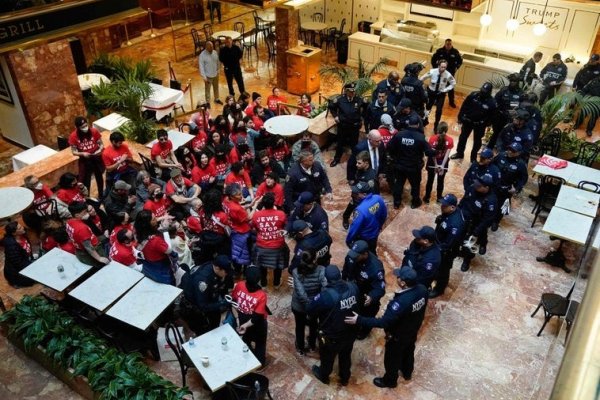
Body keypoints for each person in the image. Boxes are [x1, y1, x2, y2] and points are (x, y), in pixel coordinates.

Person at [344, 266, 428, 388]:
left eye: (399, 277)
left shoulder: (400, 303)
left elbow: (384, 322)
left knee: (392, 359)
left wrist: (359, 319)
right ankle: (407, 372)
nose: (397, 278)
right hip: (412, 328)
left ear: (403, 283)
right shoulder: (423, 289)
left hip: (398, 335)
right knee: (409, 350)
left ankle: (390, 381)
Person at [307, 265, 360, 386]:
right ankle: (345, 377)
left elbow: (310, 309)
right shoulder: (353, 286)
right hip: (351, 331)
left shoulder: (325, 296)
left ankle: (324, 375)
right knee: (346, 355)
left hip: (333, 336)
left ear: (327, 279)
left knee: (327, 358)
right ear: (340, 275)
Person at [387, 114, 435, 209]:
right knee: (415, 185)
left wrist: (395, 156)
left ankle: (396, 203)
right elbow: (429, 153)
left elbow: (389, 147)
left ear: (408, 123)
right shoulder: (420, 137)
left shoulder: (399, 134)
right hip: (414, 167)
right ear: (417, 125)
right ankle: (415, 202)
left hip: (400, 165)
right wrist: (437, 151)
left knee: (399, 184)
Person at [341, 240, 385, 340]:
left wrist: (372, 297)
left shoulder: (375, 268)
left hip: (366, 296)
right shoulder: (351, 256)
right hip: (353, 290)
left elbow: (380, 288)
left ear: (365, 254)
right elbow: (345, 271)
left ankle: (364, 331)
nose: (353, 257)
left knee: (368, 314)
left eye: (357, 256)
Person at [180, 255, 232, 334]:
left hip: (208, 297)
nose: (227, 274)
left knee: (216, 319)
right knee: (203, 331)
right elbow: (203, 306)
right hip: (196, 306)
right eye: (226, 272)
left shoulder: (215, 266)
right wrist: (222, 303)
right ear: (218, 268)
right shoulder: (203, 280)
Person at [458, 175, 498, 271]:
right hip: (466, 218)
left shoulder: (491, 201)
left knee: (472, 241)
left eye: (479, 186)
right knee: (462, 237)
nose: (476, 186)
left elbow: (488, 219)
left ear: (486, 188)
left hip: (478, 223)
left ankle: (467, 260)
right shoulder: (473, 188)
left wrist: (476, 232)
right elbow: (464, 200)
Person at [291, 249, 327, 355]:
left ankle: (300, 347)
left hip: (299, 306)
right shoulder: (321, 269)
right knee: (313, 325)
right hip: (315, 305)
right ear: (314, 260)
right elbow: (325, 288)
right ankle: (312, 345)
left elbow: (301, 294)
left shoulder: (296, 271)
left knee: (299, 326)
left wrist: (307, 307)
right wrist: (312, 307)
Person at [451, 82, 496, 162]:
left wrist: (485, 124)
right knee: (463, 138)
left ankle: (473, 158)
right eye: (482, 90)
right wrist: (460, 117)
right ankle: (459, 153)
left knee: (477, 142)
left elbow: (492, 117)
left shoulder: (492, 102)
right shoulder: (473, 95)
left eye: (485, 92)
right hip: (468, 121)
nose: (482, 92)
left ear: (489, 92)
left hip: (479, 125)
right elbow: (464, 105)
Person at [233, 266, 269, 366]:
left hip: (242, 319)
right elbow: (256, 318)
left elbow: (233, 303)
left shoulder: (239, 285)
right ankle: (260, 364)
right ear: (258, 280)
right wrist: (246, 325)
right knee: (260, 344)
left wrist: (239, 321)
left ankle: (247, 360)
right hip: (258, 325)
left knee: (246, 340)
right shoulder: (261, 295)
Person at [431, 194, 465, 298]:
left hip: (447, 252)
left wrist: (437, 250)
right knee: (438, 267)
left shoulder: (456, 224)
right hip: (440, 242)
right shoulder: (449, 213)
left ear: (452, 207)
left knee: (443, 270)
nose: (442, 207)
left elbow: (449, 244)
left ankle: (439, 289)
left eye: (444, 206)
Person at [252, 193, 288, 287]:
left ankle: (263, 283)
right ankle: (276, 283)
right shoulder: (281, 214)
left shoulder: (256, 215)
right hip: (278, 246)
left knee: (262, 266)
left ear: (263, 203)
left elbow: (255, 228)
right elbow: (284, 226)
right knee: (278, 265)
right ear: (274, 203)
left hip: (262, 246)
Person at [491, 142, 528, 231]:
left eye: (513, 151)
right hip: (494, 185)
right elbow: (492, 164)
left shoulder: (521, 164)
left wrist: (516, 188)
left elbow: (523, 179)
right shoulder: (501, 156)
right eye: (509, 149)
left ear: (518, 153)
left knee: (502, 206)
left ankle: (496, 221)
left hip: (506, 189)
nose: (510, 152)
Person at [328, 83, 365, 167]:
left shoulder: (359, 99)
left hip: (354, 127)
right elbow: (331, 106)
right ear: (346, 91)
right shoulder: (340, 99)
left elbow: (367, 107)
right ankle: (337, 159)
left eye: (354, 91)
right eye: (351, 91)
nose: (353, 93)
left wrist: (362, 117)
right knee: (340, 143)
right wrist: (335, 116)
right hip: (343, 126)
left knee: (354, 145)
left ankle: (356, 160)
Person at [134, 209, 175, 284]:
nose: (156, 219)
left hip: (149, 268)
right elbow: (169, 250)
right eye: (153, 219)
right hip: (162, 270)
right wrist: (165, 230)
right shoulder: (155, 240)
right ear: (147, 224)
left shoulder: (137, 234)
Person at [346, 181, 387, 253]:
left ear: (364, 194)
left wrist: (348, 240)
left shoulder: (360, 210)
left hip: (364, 237)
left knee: (363, 253)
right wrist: (379, 226)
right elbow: (384, 214)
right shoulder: (378, 198)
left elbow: (355, 227)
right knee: (372, 250)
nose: (354, 195)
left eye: (356, 194)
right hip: (374, 233)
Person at [66, 201, 109, 268]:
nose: (87, 213)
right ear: (77, 215)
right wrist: (99, 258)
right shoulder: (82, 229)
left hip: (79, 250)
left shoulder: (69, 222)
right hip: (93, 250)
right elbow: (88, 247)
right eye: (85, 212)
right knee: (105, 265)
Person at [69, 116, 104, 196]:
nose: (85, 128)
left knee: (99, 177)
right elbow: (74, 152)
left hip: (95, 157)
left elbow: (101, 144)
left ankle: (101, 194)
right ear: (77, 127)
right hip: (85, 160)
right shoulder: (73, 136)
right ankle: (87, 197)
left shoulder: (94, 131)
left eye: (86, 125)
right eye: (82, 127)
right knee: (86, 180)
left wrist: (100, 150)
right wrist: (82, 153)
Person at [343, 151, 378, 229]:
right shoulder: (360, 169)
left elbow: (374, 192)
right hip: (356, 195)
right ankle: (345, 217)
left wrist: (364, 197)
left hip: (363, 199)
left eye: (359, 163)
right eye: (357, 162)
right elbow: (357, 181)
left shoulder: (371, 176)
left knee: (359, 214)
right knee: (351, 205)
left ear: (366, 163)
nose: (356, 165)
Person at [223, 184, 252, 275]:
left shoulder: (225, 201)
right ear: (231, 196)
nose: (241, 196)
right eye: (238, 195)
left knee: (235, 252)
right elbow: (248, 218)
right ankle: (243, 271)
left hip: (233, 230)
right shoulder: (237, 208)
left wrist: (249, 205)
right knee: (243, 254)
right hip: (242, 232)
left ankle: (237, 271)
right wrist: (254, 207)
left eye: (241, 194)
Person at [488, 74, 523, 150]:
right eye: (511, 81)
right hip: (500, 117)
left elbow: (521, 107)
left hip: (511, 119)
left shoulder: (521, 93)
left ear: (518, 82)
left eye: (515, 81)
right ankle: (489, 149)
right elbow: (495, 101)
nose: (512, 83)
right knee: (496, 134)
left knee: (508, 136)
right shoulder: (504, 90)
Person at [421, 59, 456, 132]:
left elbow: (453, 83)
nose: (443, 69)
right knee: (428, 108)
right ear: (438, 66)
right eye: (442, 67)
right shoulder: (432, 71)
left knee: (439, 110)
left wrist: (445, 90)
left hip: (441, 93)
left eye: (445, 67)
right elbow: (422, 78)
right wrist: (422, 87)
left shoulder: (448, 74)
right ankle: (425, 120)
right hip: (431, 92)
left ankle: (436, 125)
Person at [424, 122, 453, 203]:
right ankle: (439, 198)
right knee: (441, 181)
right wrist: (442, 166)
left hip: (433, 162)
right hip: (443, 161)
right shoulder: (450, 140)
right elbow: (447, 154)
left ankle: (427, 197)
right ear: (446, 130)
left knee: (430, 180)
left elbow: (433, 154)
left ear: (437, 130)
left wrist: (436, 165)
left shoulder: (432, 139)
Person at [1, 221, 36, 287]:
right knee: (31, 281)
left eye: (21, 226)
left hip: (25, 261)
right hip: (16, 272)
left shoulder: (22, 235)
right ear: (14, 233)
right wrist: (32, 266)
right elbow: (18, 263)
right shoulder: (11, 246)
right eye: (19, 228)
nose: (23, 228)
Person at [431, 38, 462, 108]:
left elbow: (460, 61)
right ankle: (436, 100)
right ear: (445, 44)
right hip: (441, 72)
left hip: (450, 73)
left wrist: (457, 67)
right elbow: (433, 59)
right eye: (447, 44)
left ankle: (451, 102)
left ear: (451, 44)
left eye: (450, 44)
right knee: (438, 86)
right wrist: (436, 68)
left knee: (451, 87)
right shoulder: (440, 51)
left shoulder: (455, 52)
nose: (448, 45)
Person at [199, 40, 221, 105]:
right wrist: (204, 77)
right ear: (206, 47)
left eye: (212, 47)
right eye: (210, 47)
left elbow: (217, 62)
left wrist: (218, 70)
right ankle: (208, 102)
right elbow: (201, 67)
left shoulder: (215, 52)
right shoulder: (202, 55)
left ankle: (216, 99)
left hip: (215, 74)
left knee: (216, 87)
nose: (212, 49)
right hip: (208, 76)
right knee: (207, 90)